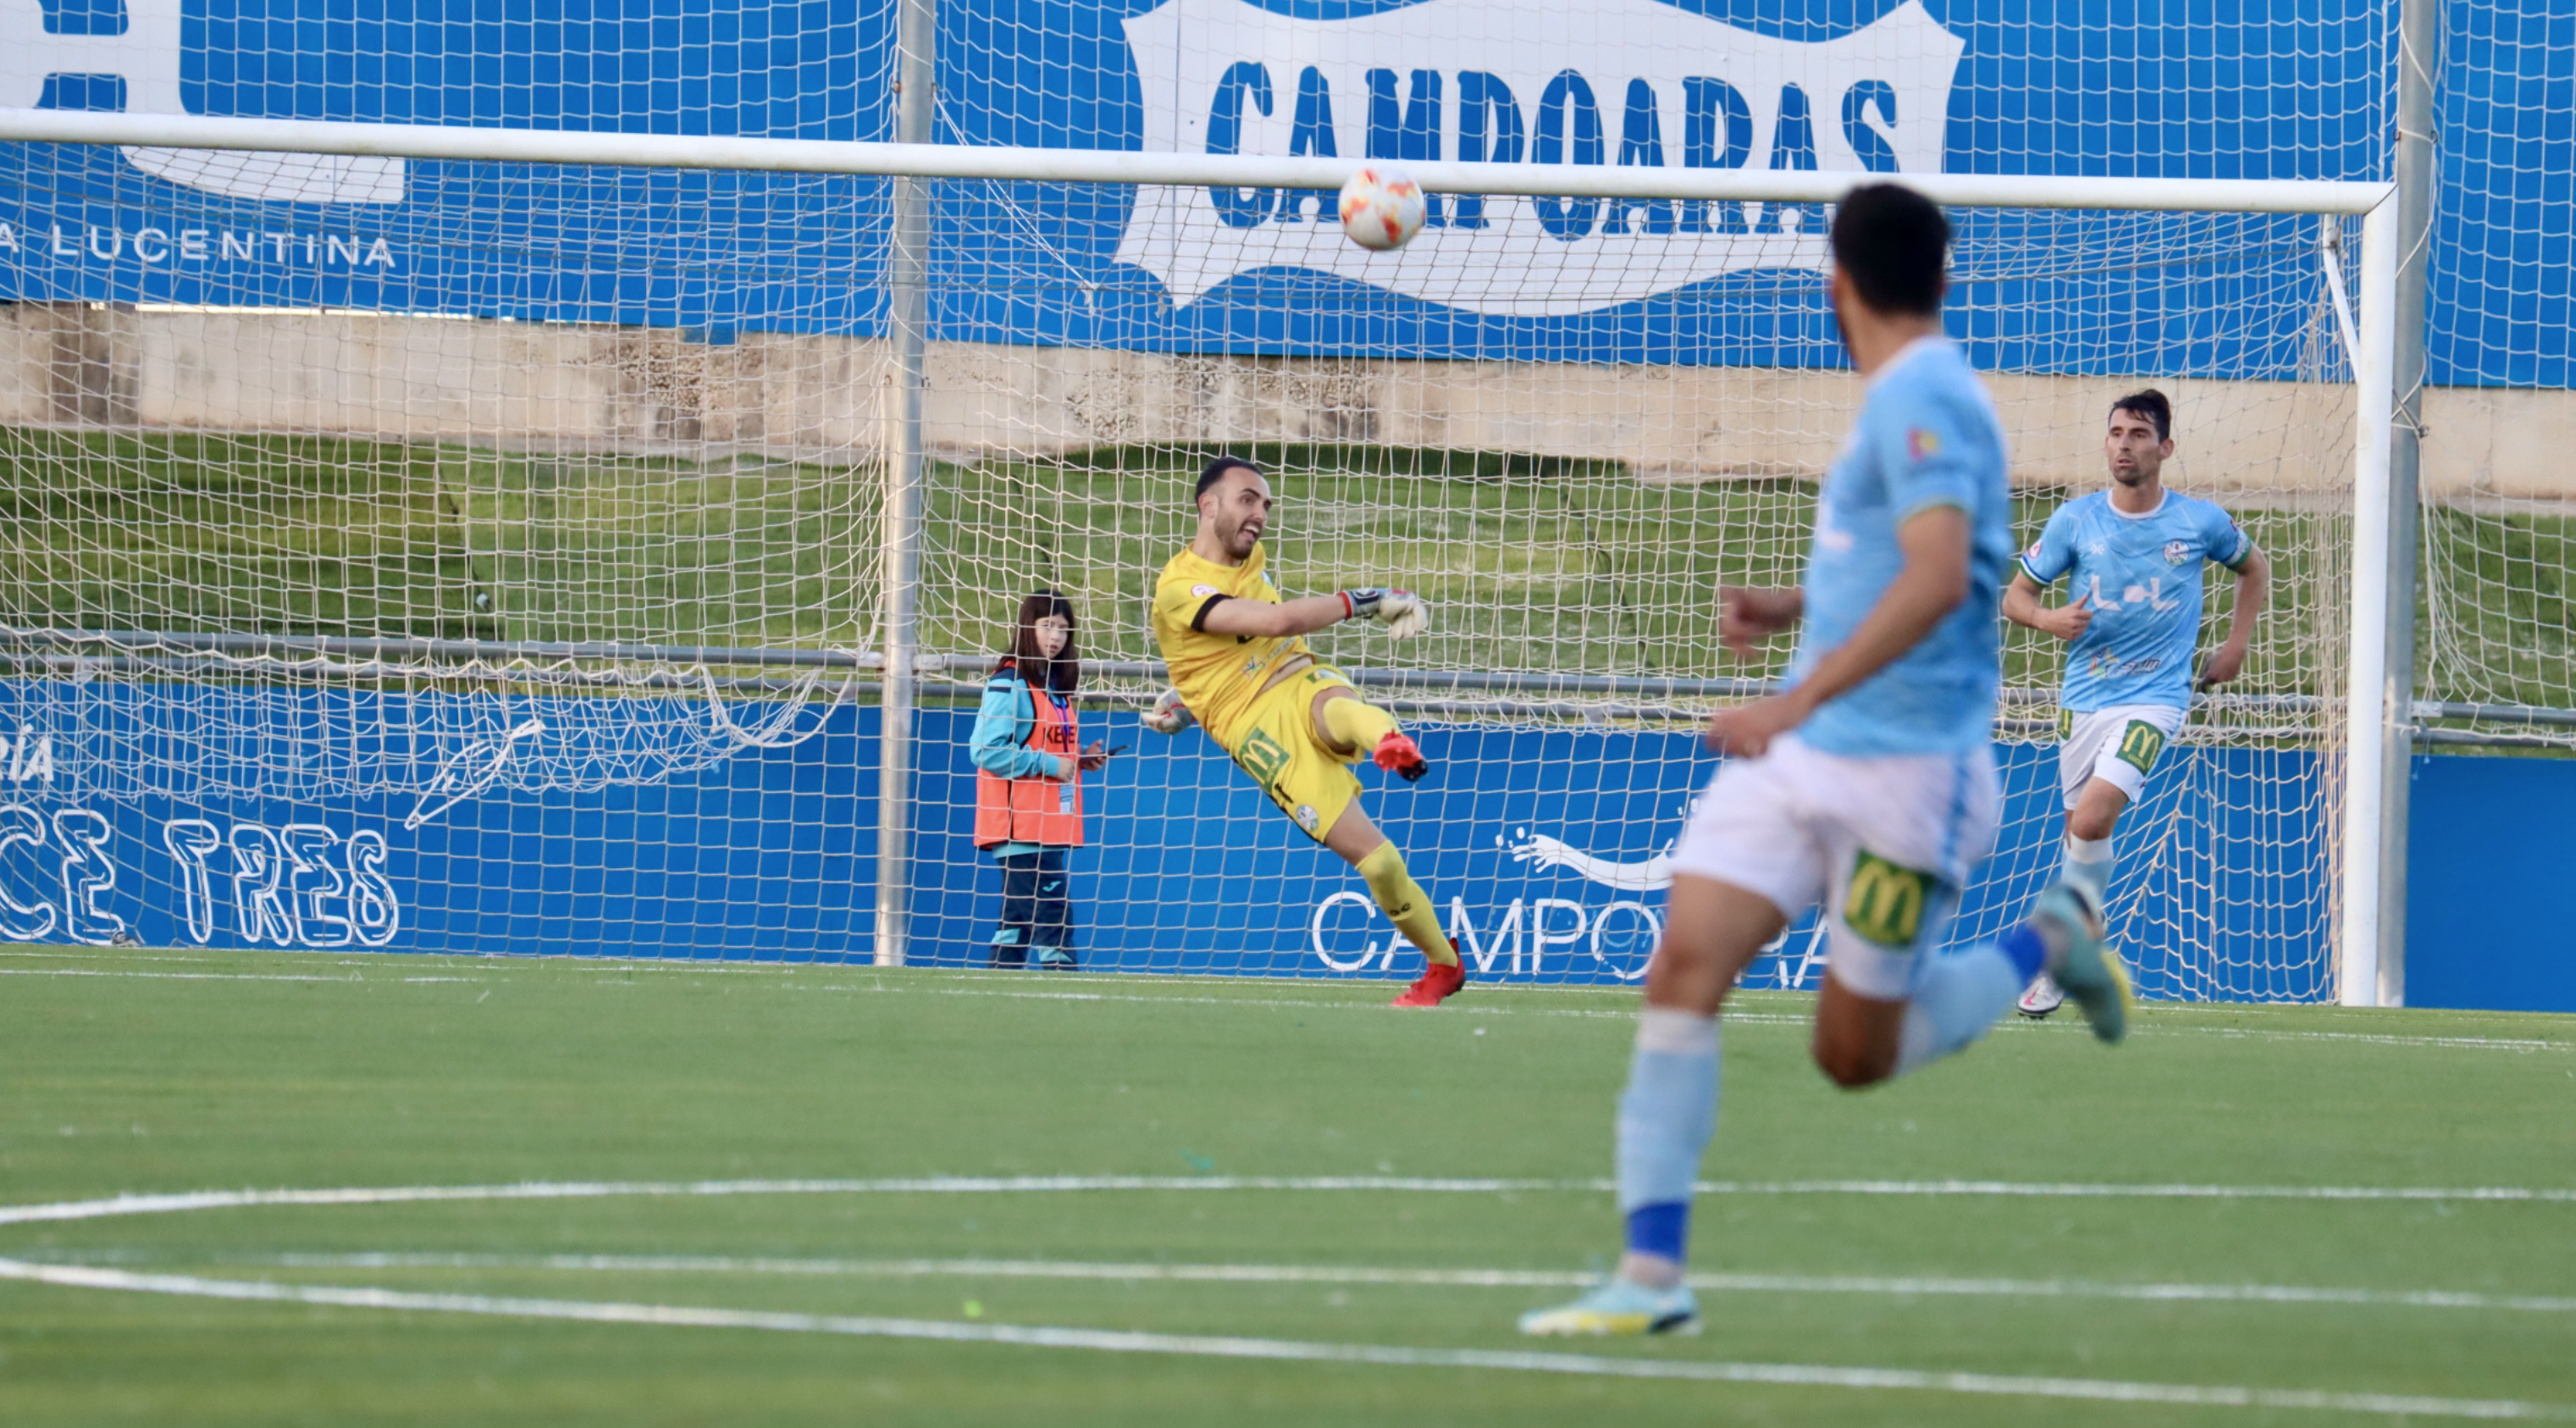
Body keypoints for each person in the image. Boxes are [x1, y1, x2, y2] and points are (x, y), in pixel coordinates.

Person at [1517, 184, 2131, 1338]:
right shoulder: (1909, 397)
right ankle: (1651, 1276)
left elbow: (1943, 574)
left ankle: (2052, 936)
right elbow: (1902, 559)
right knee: (1683, 967)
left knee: (1856, 1052)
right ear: (1941, 280)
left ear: (1833, 286)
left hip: (1908, 775)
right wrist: (1790, 603)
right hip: (1805, 758)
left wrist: (1788, 695)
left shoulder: (1923, 395)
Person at [1142, 456, 1468, 1007]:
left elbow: (1251, 642)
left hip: (1297, 680)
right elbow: (1273, 622)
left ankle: (1389, 741)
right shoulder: (1178, 588)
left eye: (1266, 505)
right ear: (1208, 505)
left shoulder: (1253, 562)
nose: (1261, 515)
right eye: (1248, 499)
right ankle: (1444, 963)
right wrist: (1368, 600)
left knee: (1334, 704)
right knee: (1381, 864)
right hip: (1262, 739)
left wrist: (1188, 696)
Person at [2004, 390, 2269, 1016]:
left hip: (2156, 698)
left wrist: (2235, 648)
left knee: (2094, 820)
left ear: (2165, 448)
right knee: (2078, 834)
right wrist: (2047, 619)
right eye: (2116, 432)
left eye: (2138, 434)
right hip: (2083, 699)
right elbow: (2015, 597)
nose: (2124, 444)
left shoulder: (2200, 522)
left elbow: (2255, 568)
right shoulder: (2075, 521)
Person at [971, 589, 1111, 969]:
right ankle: (1065, 1003)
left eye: (1063, 629)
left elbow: (1040, 743)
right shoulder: (1009, 681)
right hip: (1019, 829)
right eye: (1046, 626)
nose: (1055, 637)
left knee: (1015, 927)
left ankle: (996, 1003)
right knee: (1055, 918)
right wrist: (1051, 765)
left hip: (1047, 827)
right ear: (1027, 628)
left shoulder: (1053, 687)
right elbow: (984, 750)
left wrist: (1079, 757)